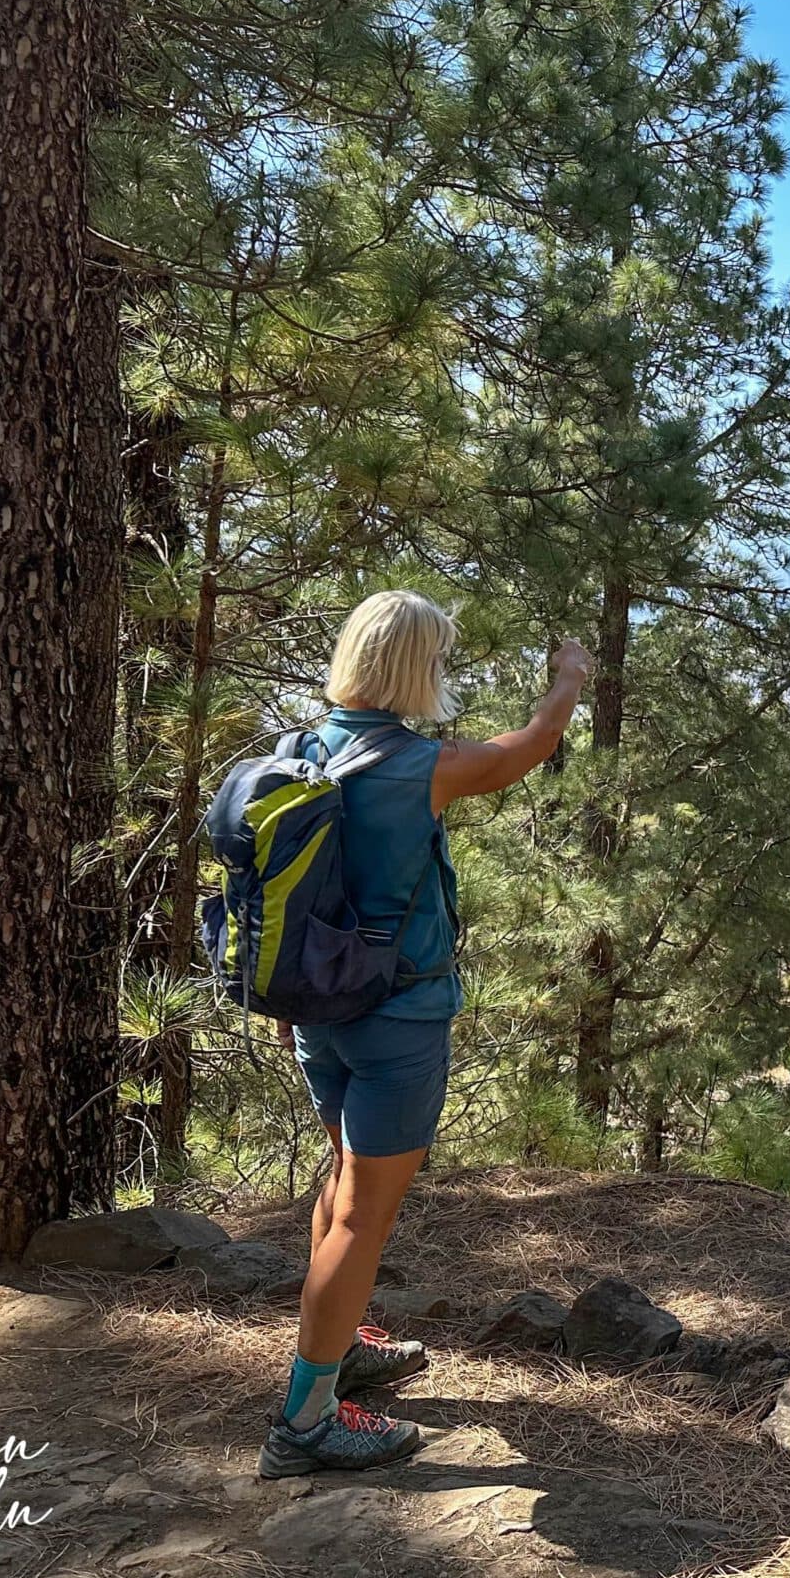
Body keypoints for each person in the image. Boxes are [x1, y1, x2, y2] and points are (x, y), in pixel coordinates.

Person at [259, 590, 592, 1476]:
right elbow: (528, 749)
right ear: (414, 670)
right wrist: (567, 680)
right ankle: (306, 1420)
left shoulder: (299, 750)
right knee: (364, 1214)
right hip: (397, 1019)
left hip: (318, 1013)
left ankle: (348, 1348)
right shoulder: (419, 768)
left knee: (344, 1184)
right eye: (437, 661)